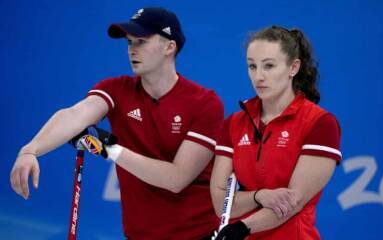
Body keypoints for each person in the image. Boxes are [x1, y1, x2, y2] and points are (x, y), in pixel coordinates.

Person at [10, 7, 223, 239]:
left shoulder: (205, 103)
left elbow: (176, 179)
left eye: (141, 41)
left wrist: (108, 149)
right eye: (129, 42)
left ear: (169, 47)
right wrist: (30, 150)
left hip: (197, 235)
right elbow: (74, 115)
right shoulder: (117, 89)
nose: (132, 49)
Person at [210, 26, 341, 239]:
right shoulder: (233, 124)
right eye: (252, 66)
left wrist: (242, 227)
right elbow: (221, 203)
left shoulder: (321, 123)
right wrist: (259, 196)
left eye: (269, 66)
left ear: (293, 67)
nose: (258, 76)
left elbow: (292, 202)